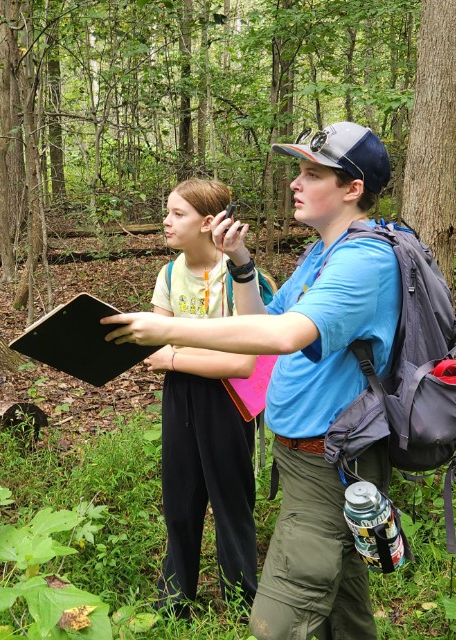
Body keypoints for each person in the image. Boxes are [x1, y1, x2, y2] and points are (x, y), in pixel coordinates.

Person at [103, 122, 399, 640]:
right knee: (344, 604)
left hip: (331, 456)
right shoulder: (321, 254)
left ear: (353, 189)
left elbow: (285, 336)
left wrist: (165, 332)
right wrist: (241, 263)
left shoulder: (365, 260)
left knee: (275, 624)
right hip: (304, 453)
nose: (295, 183)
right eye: (298, 171)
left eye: (312, 173)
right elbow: (261, 320)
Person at [145, 178, 259, 618]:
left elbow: (241, 363)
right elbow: (154, 348)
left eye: (178, 214)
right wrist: (192, 355)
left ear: (208, 222)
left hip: (227, 401)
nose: (166, 221)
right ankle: (175, 599)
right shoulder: (170, 272)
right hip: (180, 397)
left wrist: (175, 355)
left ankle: (241, 597)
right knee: (180, 495)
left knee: (231, 497)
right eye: (167, 212)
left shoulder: (238, 276)